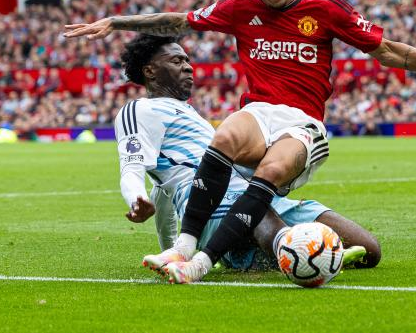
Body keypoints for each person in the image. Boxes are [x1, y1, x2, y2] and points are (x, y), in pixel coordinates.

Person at [66, 0, 416, 283]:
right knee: (224, 136)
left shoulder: (326, 9)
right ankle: (192, 253)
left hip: (303, 124)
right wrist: (115, 22)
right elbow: (179, 20)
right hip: (259, 113)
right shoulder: (240, 7)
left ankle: (285, 244)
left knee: (363, 245)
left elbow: (390, 51)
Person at [114, 34, 380, 274]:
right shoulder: (139, 111)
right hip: (212, 204)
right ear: (150, 71)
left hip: (256, 193)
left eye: (187, 60)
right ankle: (296, 253)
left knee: (369, 249)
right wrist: (135, 198)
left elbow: (161, 192)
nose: (188, 66)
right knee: (275, 229)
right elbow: (131, 169)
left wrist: (170, 247)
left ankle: (273, 254)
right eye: (176, 61)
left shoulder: (191, 114)